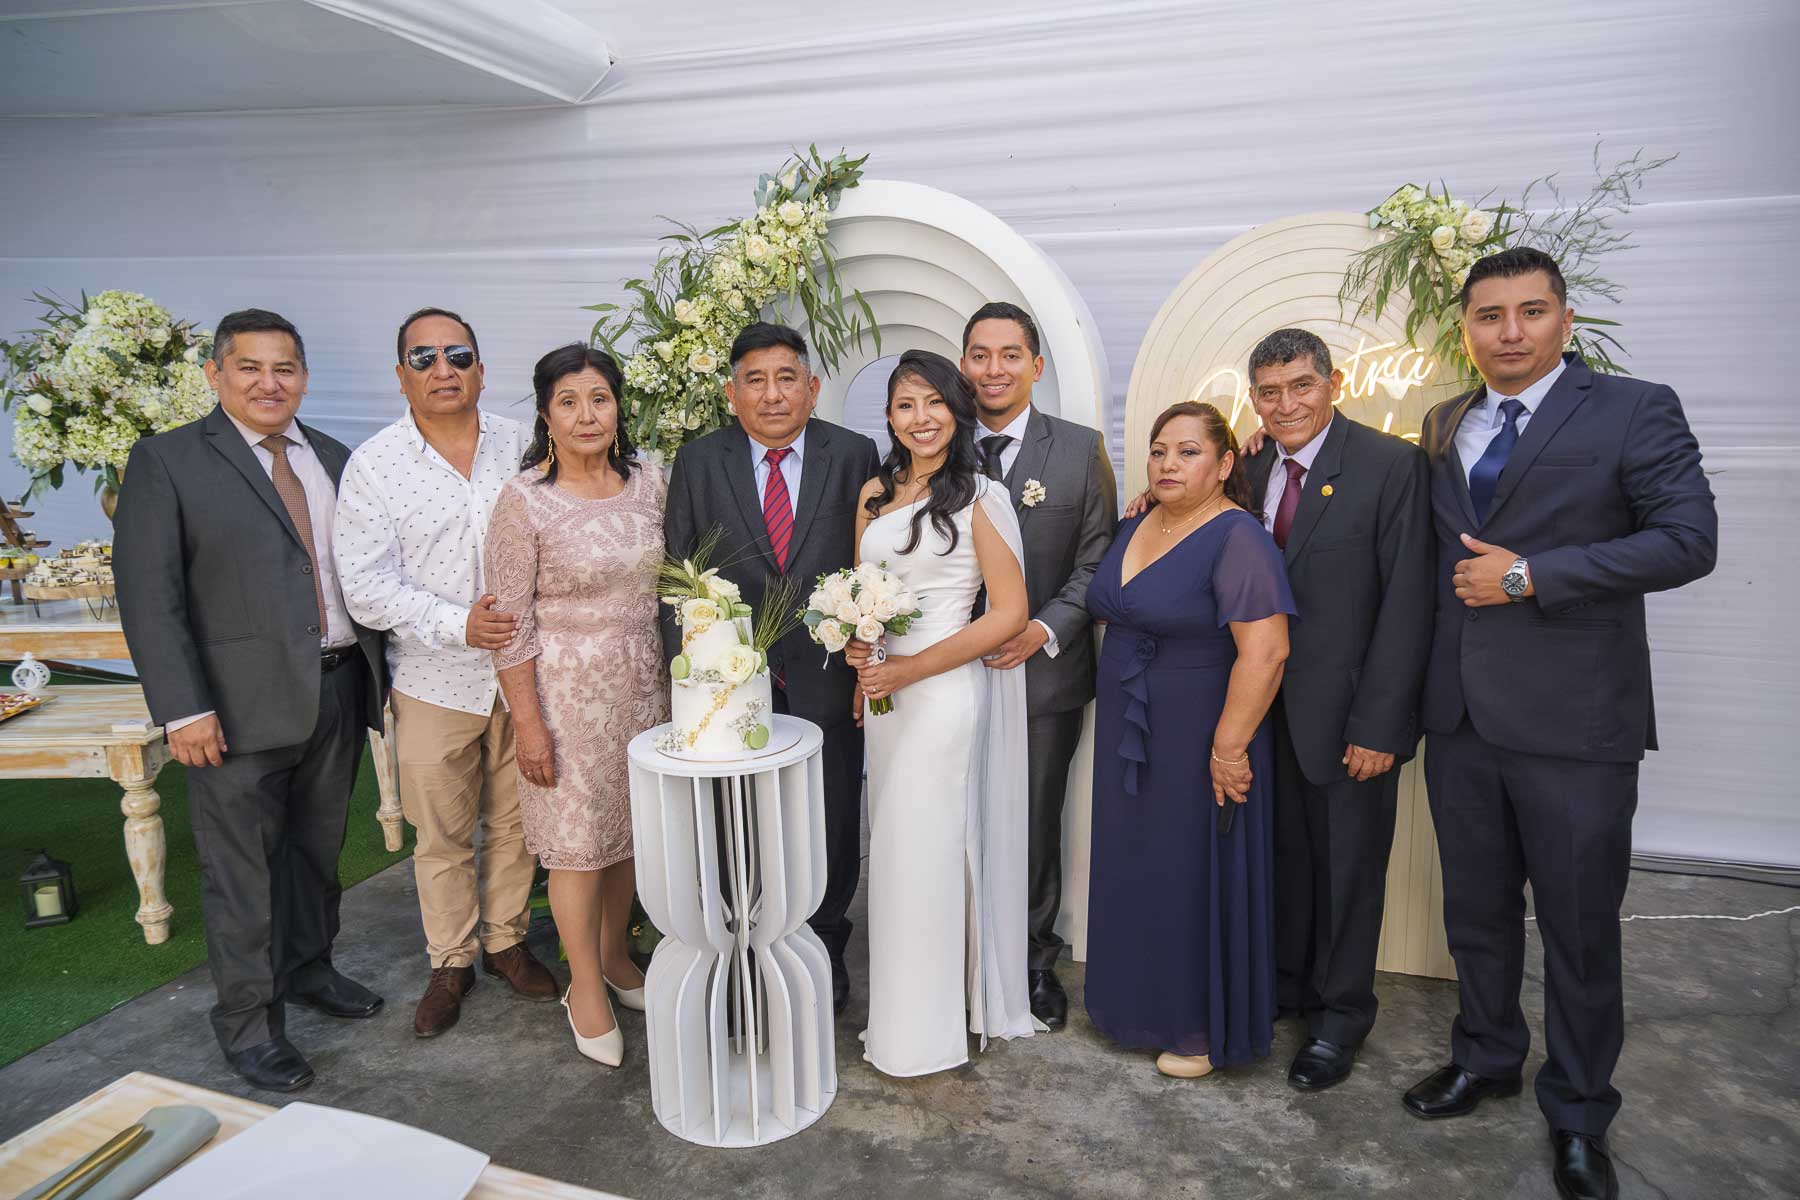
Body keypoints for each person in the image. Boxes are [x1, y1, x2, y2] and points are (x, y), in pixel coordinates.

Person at [1406, 247, 1717, 1200]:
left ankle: (1580, 1112)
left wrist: (1531, 575)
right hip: (1462, 717)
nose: (1510, 332)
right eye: (1489, 315)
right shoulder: (1444, 421)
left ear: (1565, 320)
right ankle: (1486, 1055)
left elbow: (1687, 540)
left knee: (1580, 932)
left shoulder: (1633, 408)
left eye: (1531, 312)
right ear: (1467, 328)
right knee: (1476, 912)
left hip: (1577, 725)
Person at [114, 308, 388, 1092]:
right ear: (215, 373)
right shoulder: (167, 460)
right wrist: (183, 708)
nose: (270, 383)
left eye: (285, 368)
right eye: (250, 367)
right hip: (231, 710)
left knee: (316, 852)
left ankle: (309, 969)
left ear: (303, 376)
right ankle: (247, 1024)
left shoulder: (332, 457)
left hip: (338, 686)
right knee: (242, 875)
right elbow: (150, 595)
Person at [334, 307, 558, 1040]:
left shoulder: (524, 445)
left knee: (521, 821)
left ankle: (506, 942)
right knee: (442, 834)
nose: (443, 370)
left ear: (481, 371)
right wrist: (456, 623)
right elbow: (365, 586)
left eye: (458, 356)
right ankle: (451, 960)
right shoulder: (374, 465)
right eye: (424, 358)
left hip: (528, 675)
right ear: (401, 376)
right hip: (434, 681)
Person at [661, 321, 880, 1017]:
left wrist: (866, 664)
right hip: (731, 686)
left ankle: (827, 942)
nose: (773, 394)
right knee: (738, 821)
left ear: (812, 388)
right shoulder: (699, 462)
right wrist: (694, 686)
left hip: (827, 676)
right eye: (754, 380)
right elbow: (676, 575)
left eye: (787, 378)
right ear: (732, 394)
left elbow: (874, 566)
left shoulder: (855, 454)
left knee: (833, 815)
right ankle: (746, 949)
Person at [1236, 328, 1434, 1090]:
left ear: (1334, 384)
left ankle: (1341, 1019)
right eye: (1269, 392)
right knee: (1282, 863)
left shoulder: (1390, 466)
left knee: (1348, 876)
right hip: (1262, 716)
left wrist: (1381, 725)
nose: (1285, 404)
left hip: (1350, 720)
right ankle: (1288, 990)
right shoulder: (1250, 466)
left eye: (1301, 386)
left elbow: (1408, 604)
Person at [1084, 401, 1293, 1079]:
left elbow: (1267, 652)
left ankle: (1196, 1025)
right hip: (1129, 727)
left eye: (1189, 451)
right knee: (1136, 862)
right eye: (1159, 451)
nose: (1168, 463)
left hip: (1198, 730)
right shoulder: (1141, 519)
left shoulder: (1239, 538)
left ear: (1226, 463)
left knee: (1189, 869)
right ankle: (1134, 1007)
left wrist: (1228, 747)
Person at [846, 349, 1038, 1076]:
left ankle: (923, 1036)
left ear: (958, 411)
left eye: (933, 403)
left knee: (924, 853)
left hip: (943, 693)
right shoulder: (874, 493)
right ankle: (900, 1013)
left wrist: (910, 667)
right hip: (885, 699)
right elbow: (860, 597)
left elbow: (1009, 613)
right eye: (905, 405)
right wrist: (861, 660)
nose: (920, 418)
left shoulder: (981, 495)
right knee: (893, 853)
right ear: (890, 417)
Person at [485, 344, 667, 1068]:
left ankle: (617, 958)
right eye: (569, 401)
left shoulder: (650, 482)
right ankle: (584, 986)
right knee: (579, 849)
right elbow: (509, 624)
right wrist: (529, 725)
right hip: (564, 702)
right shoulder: (524, 499)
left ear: (619, 408)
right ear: (545, 414)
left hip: (645, 692)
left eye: (599, 398)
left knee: (629, 839)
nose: (586, 415)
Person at [959, 301, 1117, 1028]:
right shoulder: (934, 442)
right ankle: (957, 957)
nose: (994, 369)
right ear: (964, 363)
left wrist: (1044, 629)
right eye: (980, 355)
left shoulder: (1080, 449)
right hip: (947, 675)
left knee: (1031, 823)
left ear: (1036, 366)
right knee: (952, 818)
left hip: (1045, 676)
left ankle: (1030, 963)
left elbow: (1098, 559)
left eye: (1010, 355)